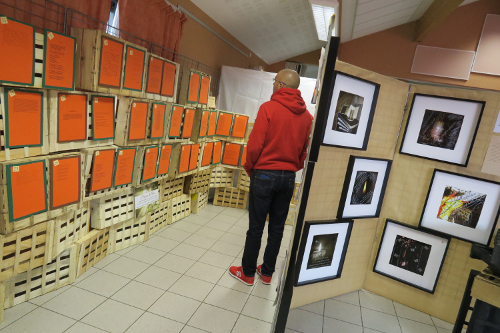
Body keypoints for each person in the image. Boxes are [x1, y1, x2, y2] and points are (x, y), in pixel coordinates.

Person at [229, 69, 313, 285]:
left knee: (255, 227)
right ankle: (266, 273)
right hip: (287, 179)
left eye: (275, 81)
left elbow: (255, 144)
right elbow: (304, 150)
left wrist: (250, 167)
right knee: (277, 228)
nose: (272, 85)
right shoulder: (307, 117)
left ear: (281, 86)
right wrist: (294, 166)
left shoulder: (268, 108)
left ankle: (247, 273)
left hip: (264, 174)